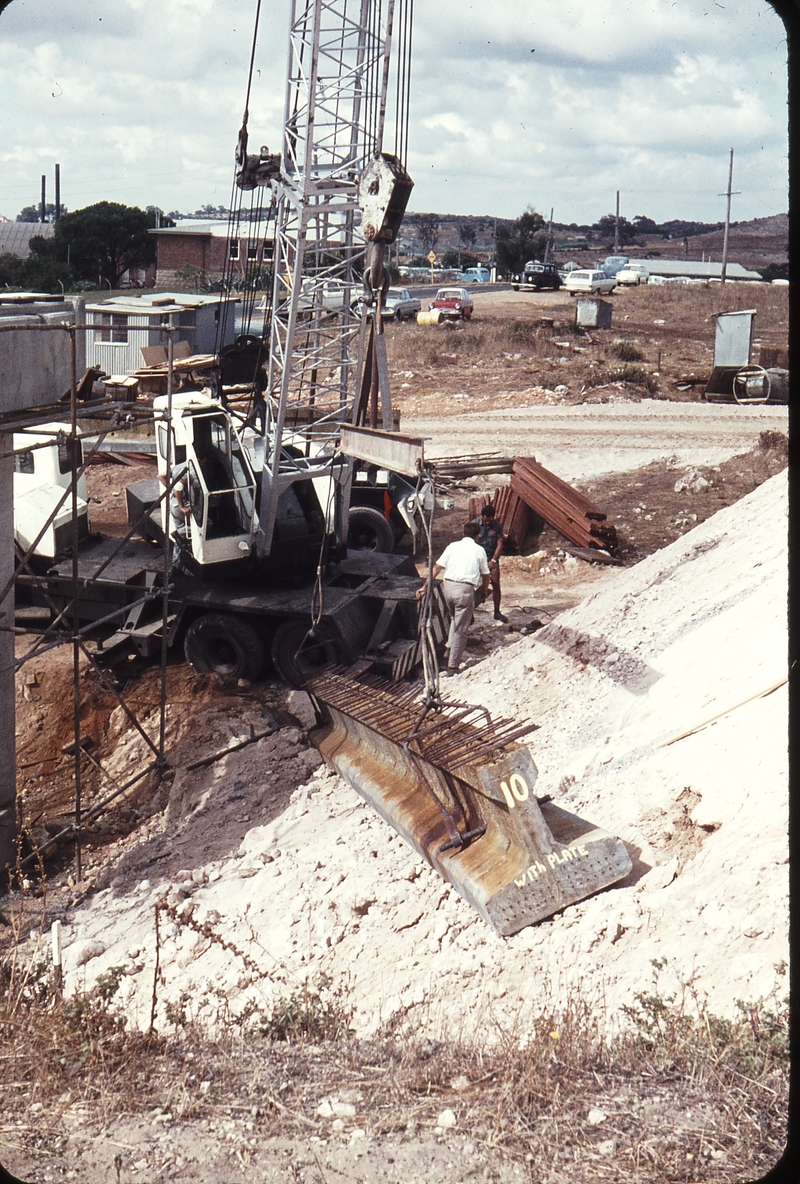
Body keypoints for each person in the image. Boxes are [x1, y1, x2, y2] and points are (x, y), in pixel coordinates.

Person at [416, 521, 490, 675]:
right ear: (477, 536)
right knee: (461, 629)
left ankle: (448, 650)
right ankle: (453, 667)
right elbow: (486, 574)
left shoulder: (452, 546)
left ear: (463, 534)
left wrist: (424, 588)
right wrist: (483, 592)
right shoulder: (479, 550)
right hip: (464, 590)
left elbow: (436, 568)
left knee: (454, 620)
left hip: (447, 588)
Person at [473, 503, 507, 623]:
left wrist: (493, 560)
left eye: (490, 520)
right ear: (482, 517)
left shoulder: (497, 526)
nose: (487, 523)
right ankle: (470, 613)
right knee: (472, 585)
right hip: (477, 559)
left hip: (491, 558)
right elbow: (471, 543)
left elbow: (499, 544)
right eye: (486, 520)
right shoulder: (475, 524)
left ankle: (497, 611)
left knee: (496, 584)